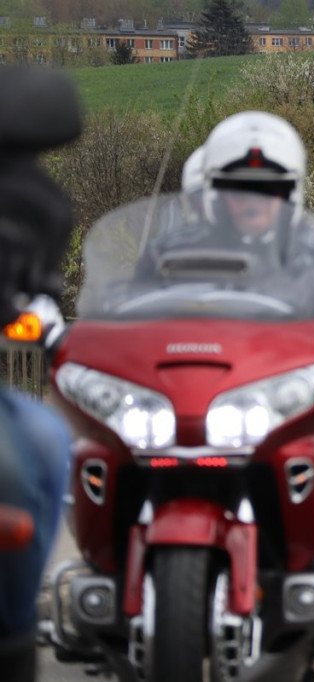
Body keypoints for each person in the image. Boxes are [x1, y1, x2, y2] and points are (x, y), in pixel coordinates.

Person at [174, 112, 314, 656]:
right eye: (235, 188)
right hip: (193, 404)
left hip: (293, 409)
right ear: (213, 193)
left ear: (289, 193)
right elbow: (129, 319)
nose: (250, 200)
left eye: (265, 189)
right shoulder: (171, 257)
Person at [0, 65, 81, 680]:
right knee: (39, 440)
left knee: (44, 435)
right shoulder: (31, 197)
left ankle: (13, 639)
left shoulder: (26, 196)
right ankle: (16, 631)